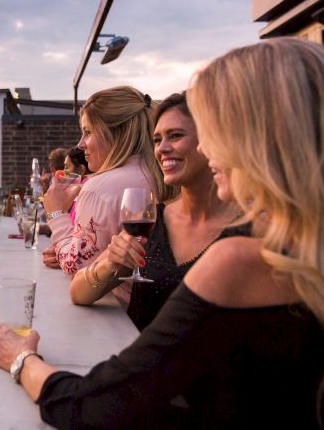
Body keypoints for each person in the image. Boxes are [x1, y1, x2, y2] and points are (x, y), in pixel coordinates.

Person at [0, 38, 324, 429]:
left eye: (215, 128)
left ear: (262, 139)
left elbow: (97, 406)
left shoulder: (246, 257)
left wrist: (22, 359)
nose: (206, 148)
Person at [69, 92, 248, 330]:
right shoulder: (153, 219)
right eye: (156, 139)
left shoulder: (247, 228)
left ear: (212, 141)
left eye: (175, 136)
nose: (162, 148)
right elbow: (79, 293)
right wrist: (110, 263)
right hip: (140, 361)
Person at [42, 86, 175, 276]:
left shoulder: (100, 188)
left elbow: (76, 269)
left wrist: (56, 214)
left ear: (117, 133)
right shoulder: (159, 174)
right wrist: (71, 248)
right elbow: (97, 255)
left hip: (118, 303)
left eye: (88, 132)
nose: (80, 144)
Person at [42, 148, 91, 269]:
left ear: (81, 170)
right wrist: (61, 251)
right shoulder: (77, 194)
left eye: (66, 167)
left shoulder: (87, 194)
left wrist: (64, 258)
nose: (62, 172)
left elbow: (87, 249)